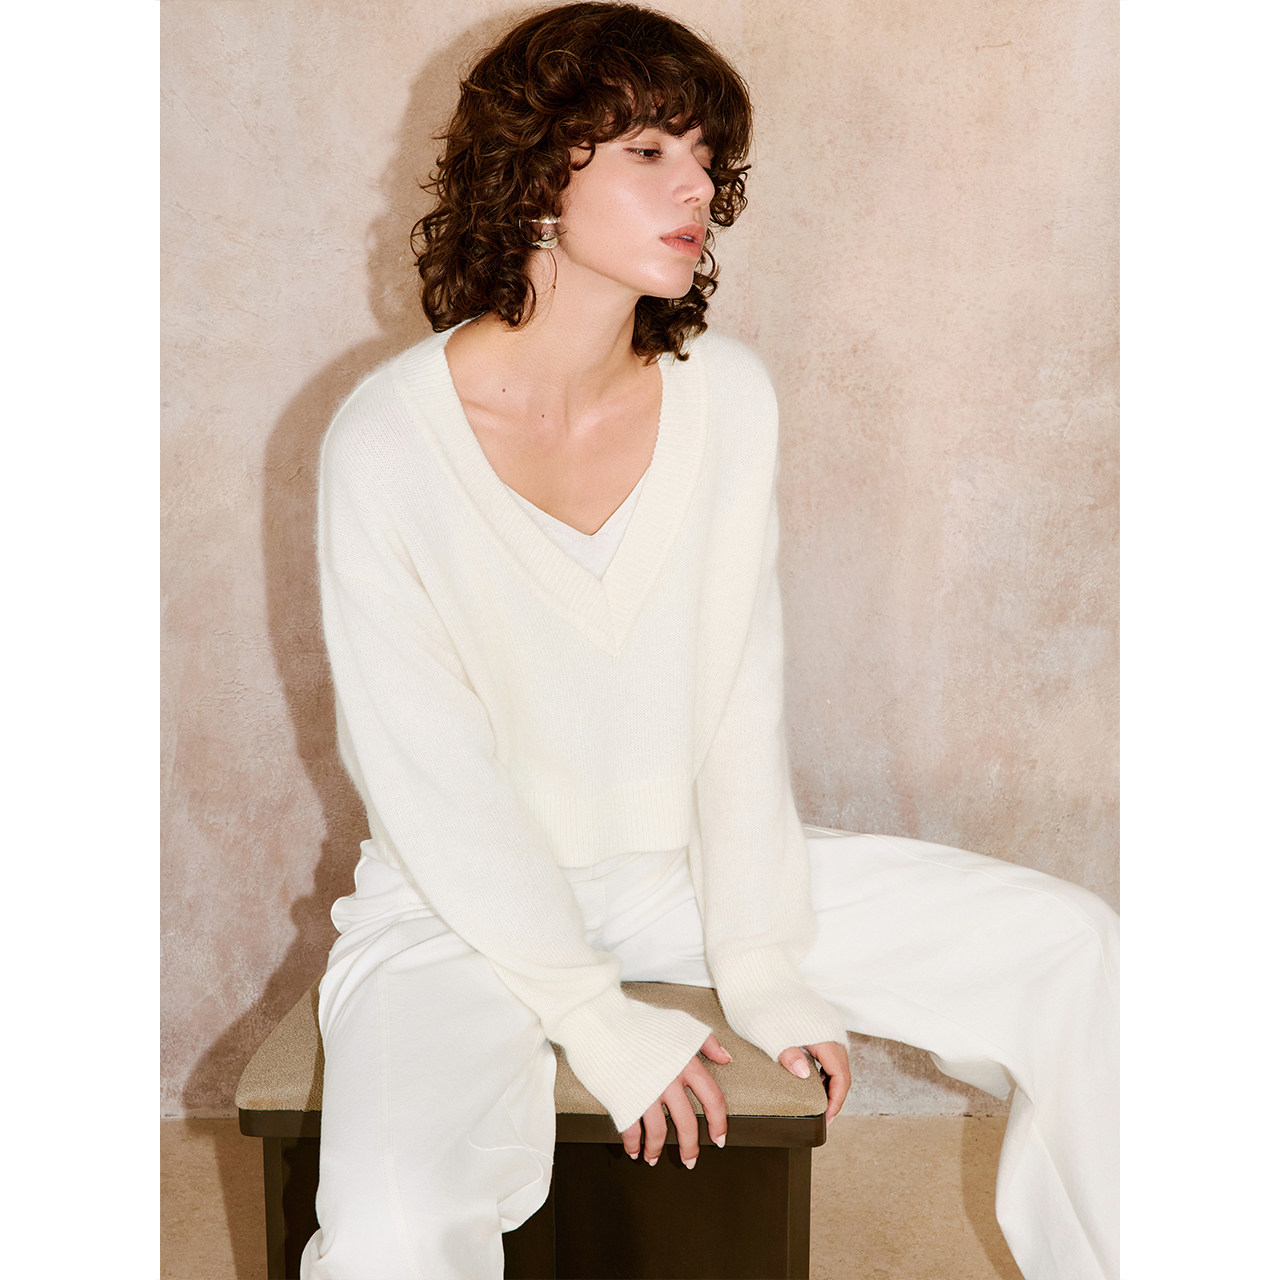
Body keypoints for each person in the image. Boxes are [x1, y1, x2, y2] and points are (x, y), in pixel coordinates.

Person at [301, 4, 1119, 1278]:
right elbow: (429, 775)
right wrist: (593, 1016)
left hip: (676, 875)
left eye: (704, 158)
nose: (696, 189)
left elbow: (739, 696)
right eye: (647, 152)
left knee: (1073, 948)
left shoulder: (725, 397)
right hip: (450, 904)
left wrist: (761, 959)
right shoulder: (385, 443)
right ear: (535, 173)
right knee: (390, 1220)